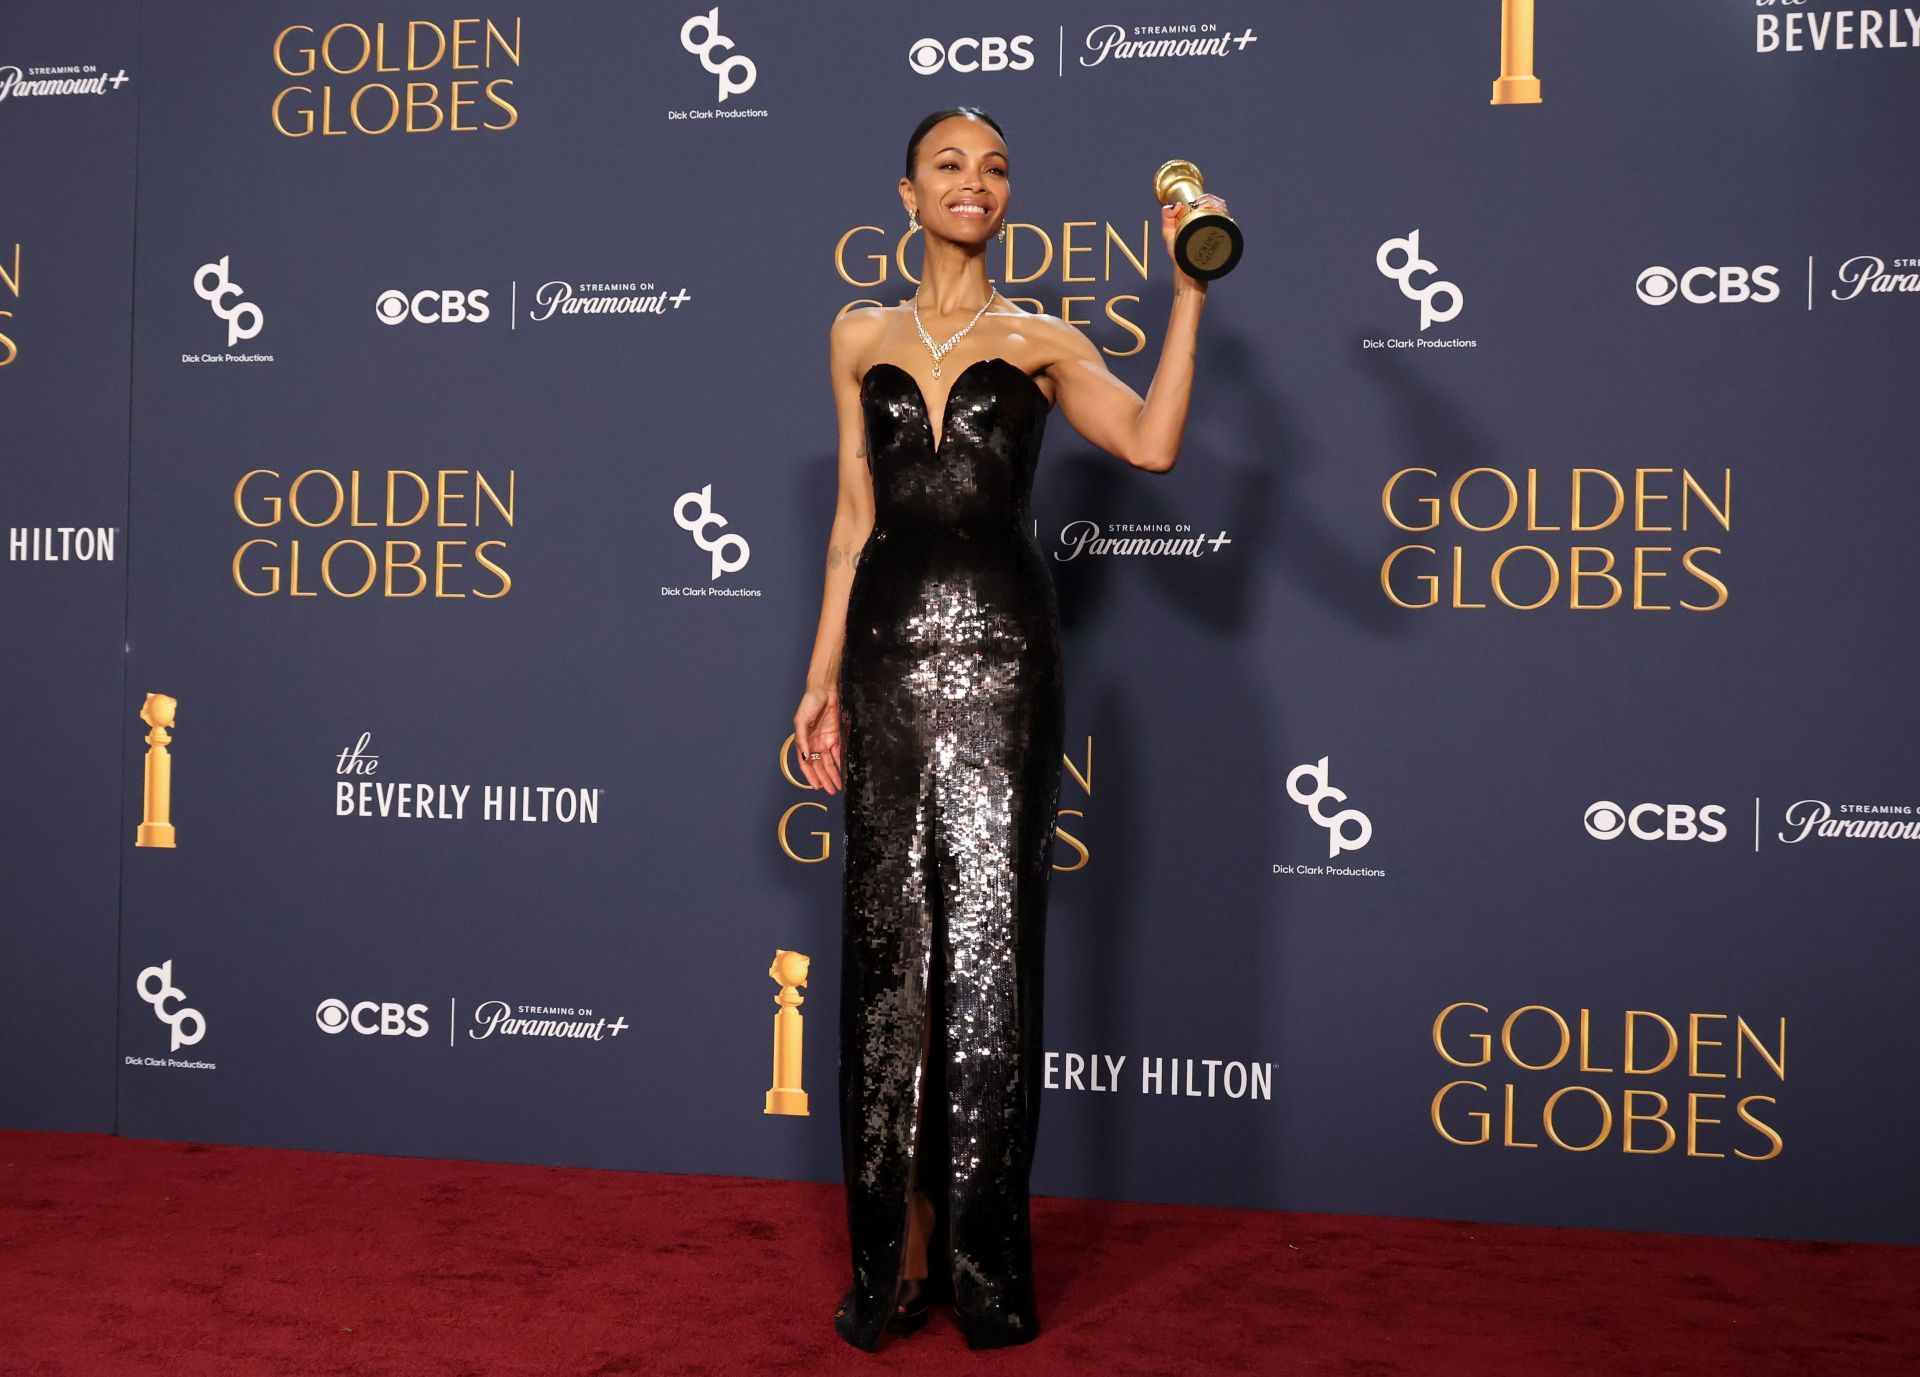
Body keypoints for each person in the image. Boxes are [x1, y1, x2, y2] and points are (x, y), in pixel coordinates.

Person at [791, 106, 1226, 1352]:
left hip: (1003, 663)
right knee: (887, 954)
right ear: (906, 192)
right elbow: (851, 520)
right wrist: (819, 678)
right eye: (948, 166)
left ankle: (984, 1268)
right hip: (880, 659)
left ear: (1006, 198)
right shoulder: (855, 331)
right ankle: (895, 1258)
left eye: (993, 170)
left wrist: (1188, 286)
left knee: (988, 955)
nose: (972, 183)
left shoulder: (1044, 337)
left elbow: (1149, 443)